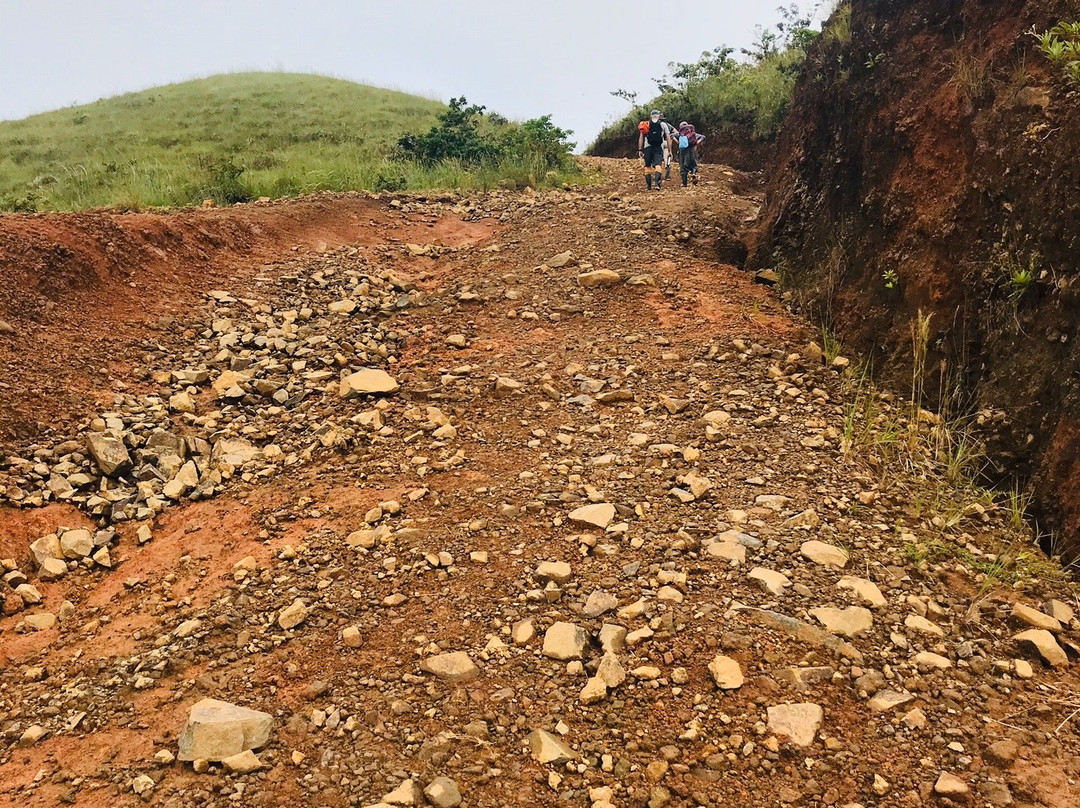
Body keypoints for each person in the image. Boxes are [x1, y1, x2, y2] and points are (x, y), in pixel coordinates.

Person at [637, 110, 675, 190]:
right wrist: (670, 151)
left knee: (647, 166)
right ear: (659, 116)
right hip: (658, 147)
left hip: (648, 147)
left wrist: (640, 149)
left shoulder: (645, 124)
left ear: (651, 116)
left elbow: (641, 137)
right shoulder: (663, 124)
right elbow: (668, 138)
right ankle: (657, 184)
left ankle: (648, 186)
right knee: (658, 165)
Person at [677, 121, 706, 187]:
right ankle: (693, 173)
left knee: (683, 166)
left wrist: (679, 143)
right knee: (693, 164)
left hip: (683, 151)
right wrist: (697, 142)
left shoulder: (680, 134)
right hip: (692, 150)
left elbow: (672, 136)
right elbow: (703, 137)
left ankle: (684, 183)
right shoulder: (693, 133)